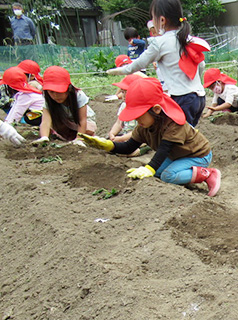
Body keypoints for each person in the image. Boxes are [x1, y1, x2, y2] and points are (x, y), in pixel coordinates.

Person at [79, 77, 221, 197]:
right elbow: (129, 146)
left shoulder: (173, 124)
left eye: (139, 115)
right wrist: (108, 145)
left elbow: (163, 150)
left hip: (197, 155)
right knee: (158, 172)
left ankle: (207, 174)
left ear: (156, 109)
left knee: (167, 176)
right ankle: (187, 174)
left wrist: (149, 168)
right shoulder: (143, 126)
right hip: (177, 156)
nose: (137, 120)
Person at [106, 0, 210, 128]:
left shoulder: (160, 43)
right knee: (189, 135)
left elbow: (138, 64)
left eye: (153, 18)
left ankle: (204, 149)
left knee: (177, 138)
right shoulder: (188, 38)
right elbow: (201, 65)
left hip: (181, 98)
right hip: (199, 98)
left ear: (161, 20)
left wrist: (119, 70)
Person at [33, 66, 96, 145]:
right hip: (64, 120)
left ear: (69, 88)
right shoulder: (48, 99)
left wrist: (79, 139)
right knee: (51, 126)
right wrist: (44, 137)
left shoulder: (78, 95)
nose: (55, 96)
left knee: (88, 129)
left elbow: (82, 120)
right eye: (51, 92)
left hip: (83, 121)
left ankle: (77, 137)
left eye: (59, 92)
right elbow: (45, 121)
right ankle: (66, 136)